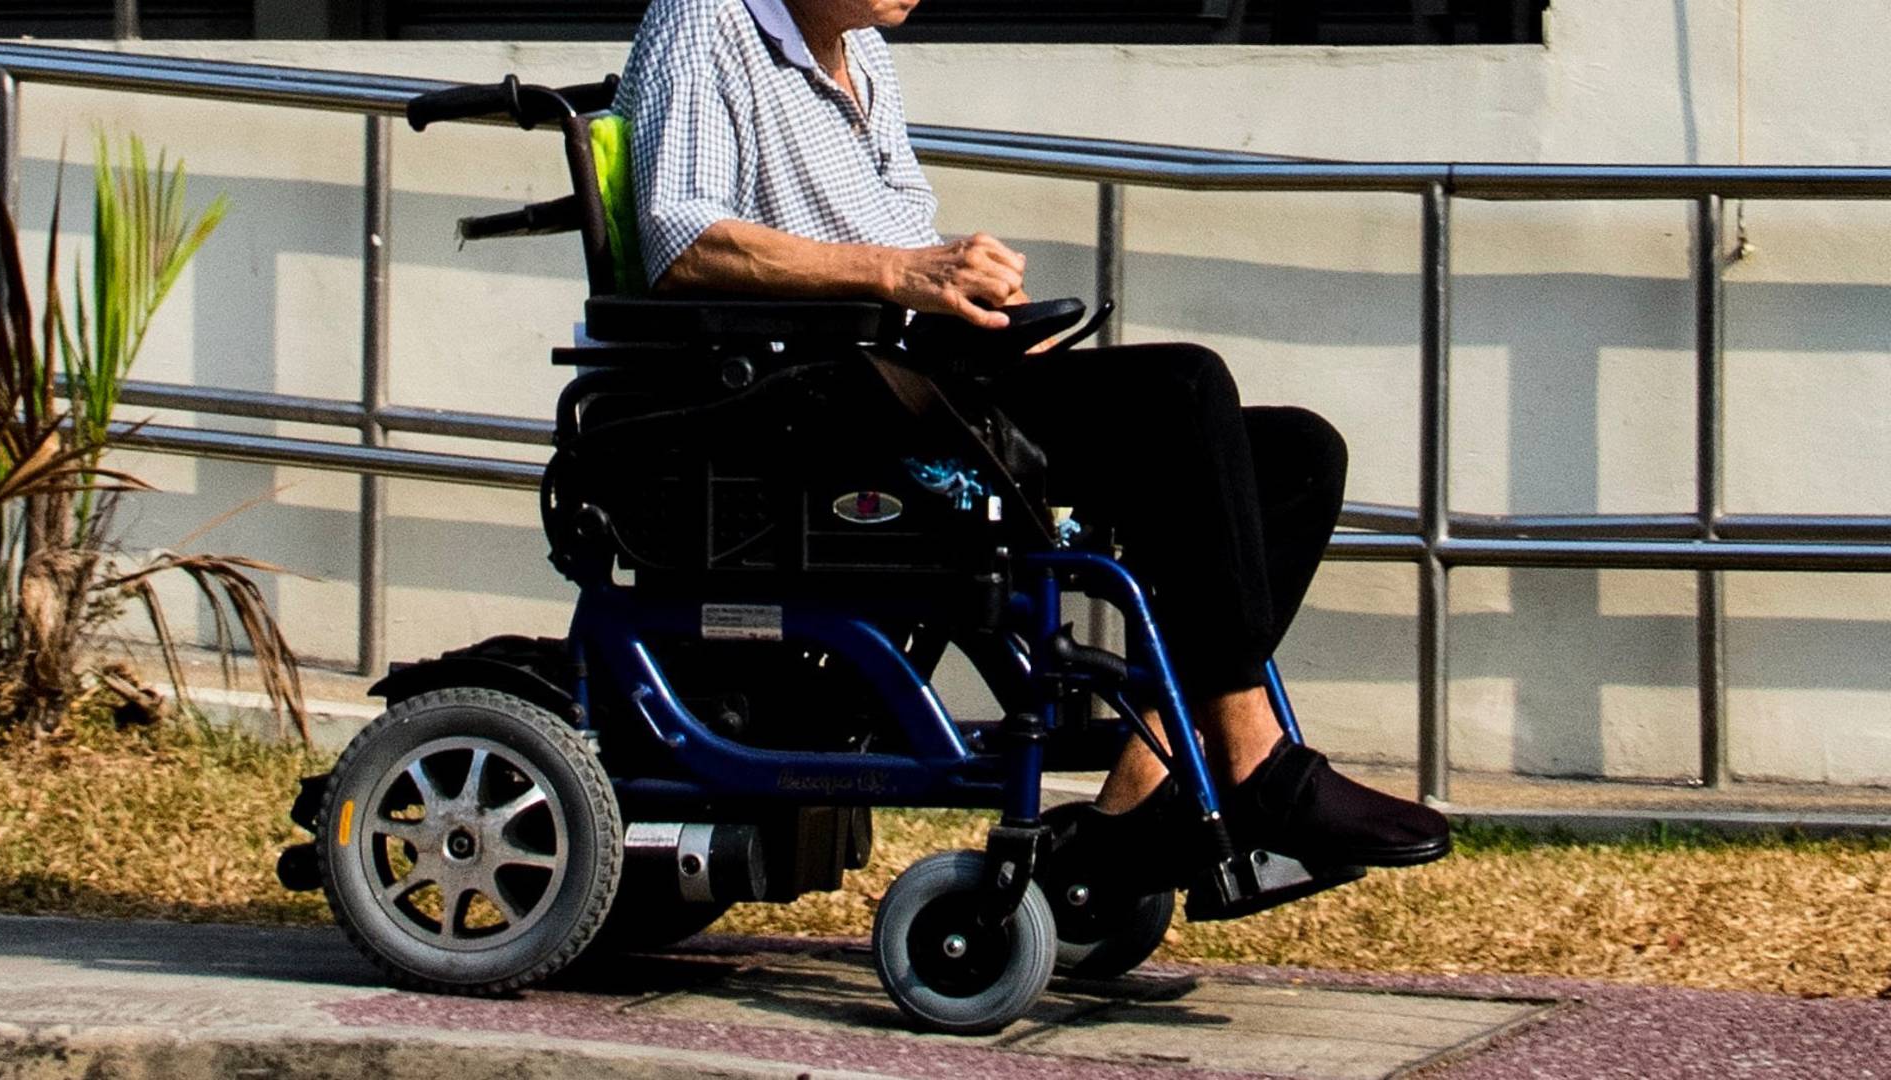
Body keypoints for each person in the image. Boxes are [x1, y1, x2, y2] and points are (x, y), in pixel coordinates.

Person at [611, 0, 1450, 878]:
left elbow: (903, 243)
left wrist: (984, 307)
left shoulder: (861, 54)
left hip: (922, 377)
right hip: (808, 404)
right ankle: (1250, 757)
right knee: (1184, 387)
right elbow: (684, 242)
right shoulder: (704, 18)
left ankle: (1147, 782)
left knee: (1298, 455)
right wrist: (905, 272)